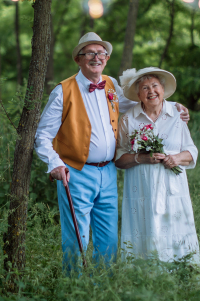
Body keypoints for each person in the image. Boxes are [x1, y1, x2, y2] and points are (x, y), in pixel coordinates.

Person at [34, 33, 189, 272]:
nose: (96, 57)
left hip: (108, 171)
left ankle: (101, 286)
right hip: (75, 171)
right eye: (90, 53)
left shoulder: (111, 85)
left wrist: (174, 106)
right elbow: (42, 135)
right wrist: (55, 164)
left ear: (106, 58)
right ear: (78, 59)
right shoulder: (63, 91)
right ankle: (74, 288)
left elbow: (141, 105)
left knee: (108, 238)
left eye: (101, 53)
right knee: (77, 236)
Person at [115, 67, 200, 263]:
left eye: (155, 86)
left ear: (162, 89)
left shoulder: (177, 115)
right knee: (143, 230)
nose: (151, 91)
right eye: (145, 88)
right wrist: (140, 158)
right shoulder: (128, 118)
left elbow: (191, 151)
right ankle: (143, 279)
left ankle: (181, 274)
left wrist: (176, 159)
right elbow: (118, 158)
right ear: (138, 94)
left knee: (174, 230)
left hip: (172, 187)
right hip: (141, 188)